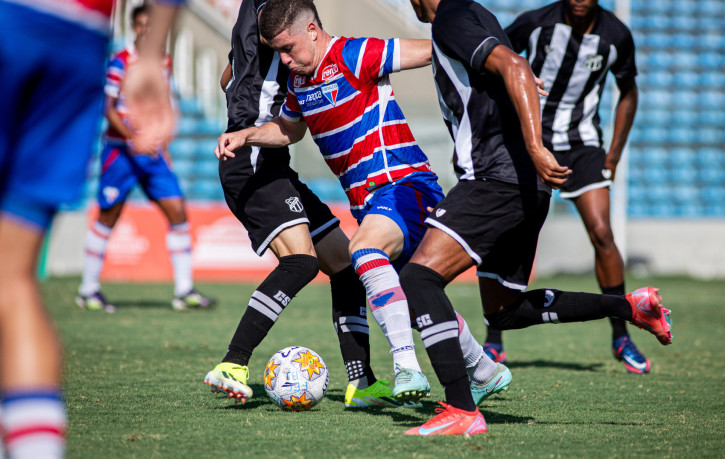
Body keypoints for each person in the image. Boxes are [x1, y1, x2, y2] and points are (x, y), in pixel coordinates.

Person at [216, 0, 510, 406]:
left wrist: (504, 63)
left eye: (288, 48)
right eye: (277, 52)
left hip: (405, 184)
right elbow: (287, 131)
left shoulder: (355, 53)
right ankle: (484, 370)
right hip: (370, 202)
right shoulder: (299, 82)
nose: (283, 59)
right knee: (414, 294)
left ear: (313, 32)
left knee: (363, 251)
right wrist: (246, 136)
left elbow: (432, 48)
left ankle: (405, 366)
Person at [398, 0, 672, 435]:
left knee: (417, 279)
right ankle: (630, 308)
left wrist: (535, 145)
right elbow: (513, 70)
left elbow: (516, 67)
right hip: (524, 186)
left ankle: (461, 409)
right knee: (503, 312)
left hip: (495, 178)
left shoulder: (452, 17)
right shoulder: (478, 13)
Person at [0, 0, 184, 456]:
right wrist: (152, 55)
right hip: (79, 40)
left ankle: (180, 288)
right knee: (11, 279)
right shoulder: (133, 58)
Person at [482, 0, 649, 374]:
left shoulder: (616, 35)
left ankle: (621, 334)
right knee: (504, 230)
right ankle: (493, 339)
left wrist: (615, 154)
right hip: (531, 139)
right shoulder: (536, 22)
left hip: (583, 145)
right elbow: (497, 63)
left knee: (602, 231)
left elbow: (629, 92)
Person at [76, 4, 216, 312]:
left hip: (152, 154)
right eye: (140, 25)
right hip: (121, 153)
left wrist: (162, 146)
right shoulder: (120, 62)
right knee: (109, 215)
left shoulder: (162, 62)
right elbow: (109, 108)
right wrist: (132, 137)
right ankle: (87, 289)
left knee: (178, 211)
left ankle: (184, 290)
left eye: (150, 26)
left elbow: (160, 103)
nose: (146, 31)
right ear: (134, 27)